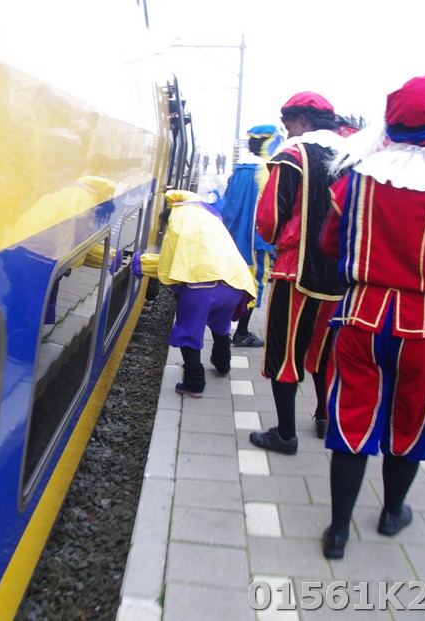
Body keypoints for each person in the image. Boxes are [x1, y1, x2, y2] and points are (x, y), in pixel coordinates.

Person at [318, 75, 425, 559]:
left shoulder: (357, 181)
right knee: (410, 422)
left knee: (351, 419)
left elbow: (330, 244)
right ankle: (392, 513)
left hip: (360, 317)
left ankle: (338, 531)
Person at [248, 92, 346, 454]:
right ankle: (324, 417)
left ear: (303, 120)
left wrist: (274, 239)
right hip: (340, 276)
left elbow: (269, 218)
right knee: (326, 351)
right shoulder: (349, 159)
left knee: (285, 351)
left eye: (288, 124)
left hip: (296, 272)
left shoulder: (293, 156)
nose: (287, 132)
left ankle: (285, 434)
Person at [135, 189, 256, 397]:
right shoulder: (212, 223)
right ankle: (223, 363)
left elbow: (168, 265)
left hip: (201, 286)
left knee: (188, 330)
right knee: (221, 326)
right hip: (236, 283)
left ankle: (194, 382)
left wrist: (140, 263)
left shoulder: (178, 222)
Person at [220, 124, 283, 347]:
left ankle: (222, 332)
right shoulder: (267, 171)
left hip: (231, 239)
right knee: (254, 285)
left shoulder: (239, 169)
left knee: (229, 282)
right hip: (255, 241)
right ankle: (242, 333)